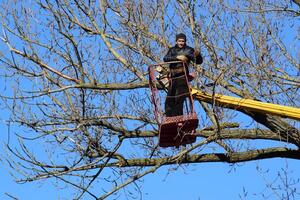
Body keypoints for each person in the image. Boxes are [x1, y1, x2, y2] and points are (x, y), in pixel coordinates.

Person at [163, 33, 203, 117]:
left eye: (183, 41)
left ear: (185, 41)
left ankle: (178, 117)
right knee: (170, 98)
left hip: (182, 76)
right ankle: (169, 117)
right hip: (173, 76)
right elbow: (165, 58)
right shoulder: (172, 50)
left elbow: (198, 61)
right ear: (176, 41)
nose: (181, 43)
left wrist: (198, 55)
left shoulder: (189, 50)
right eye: (179, 41)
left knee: (179, 97)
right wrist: (178, 57)